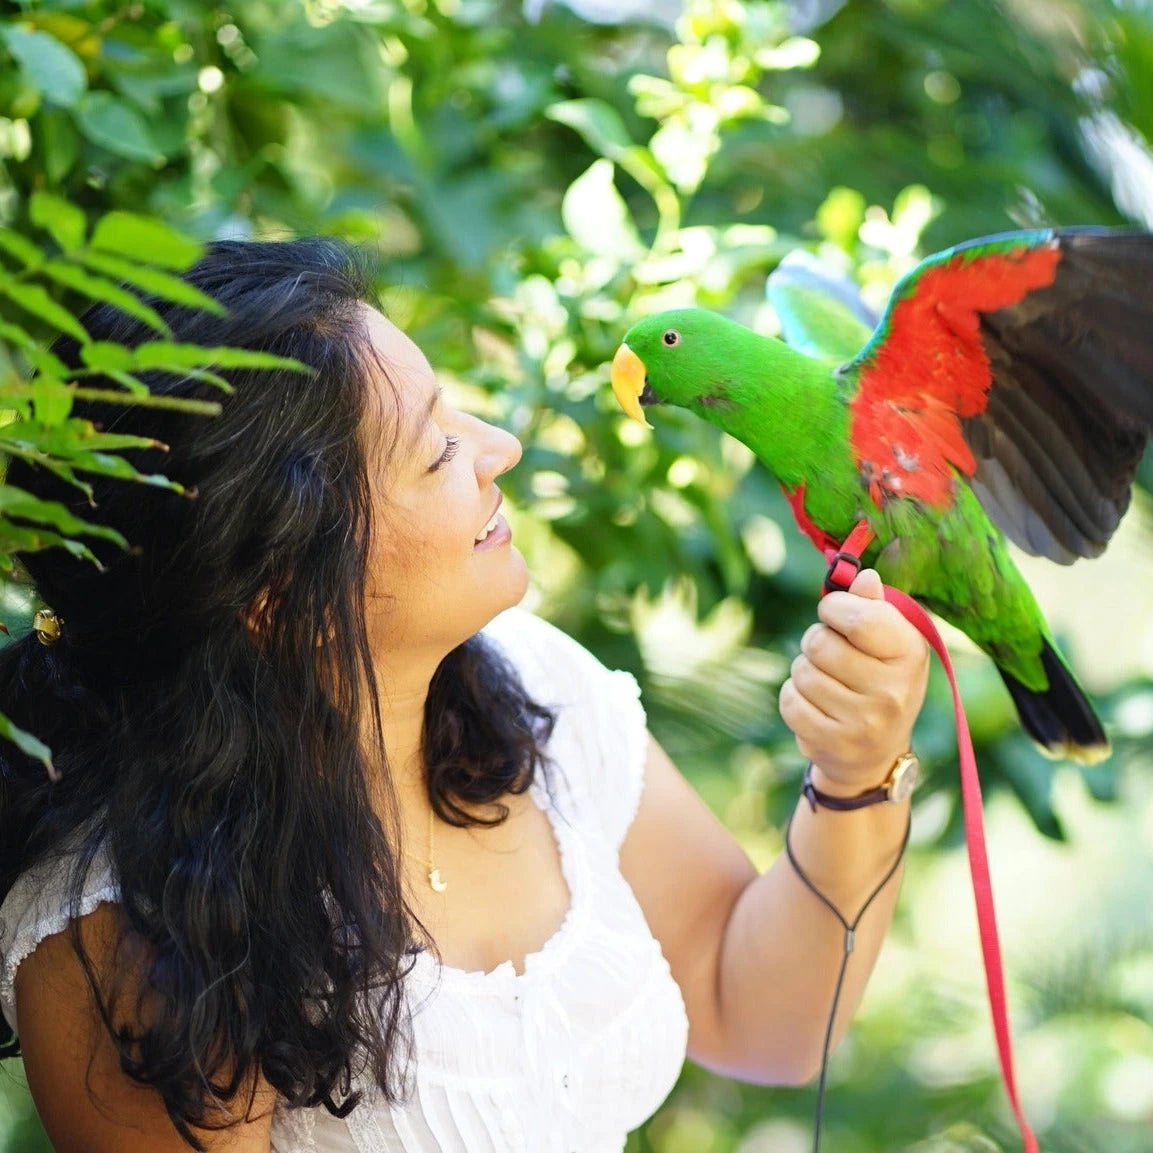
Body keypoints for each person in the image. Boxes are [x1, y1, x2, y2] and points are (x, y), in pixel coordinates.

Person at [0, 238, 929, 1153]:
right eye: (435, 451)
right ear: (277, 591)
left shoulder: (531, 683)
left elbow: (758, 1012)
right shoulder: (135, 934)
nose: (502, 448)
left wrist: (855, 771)